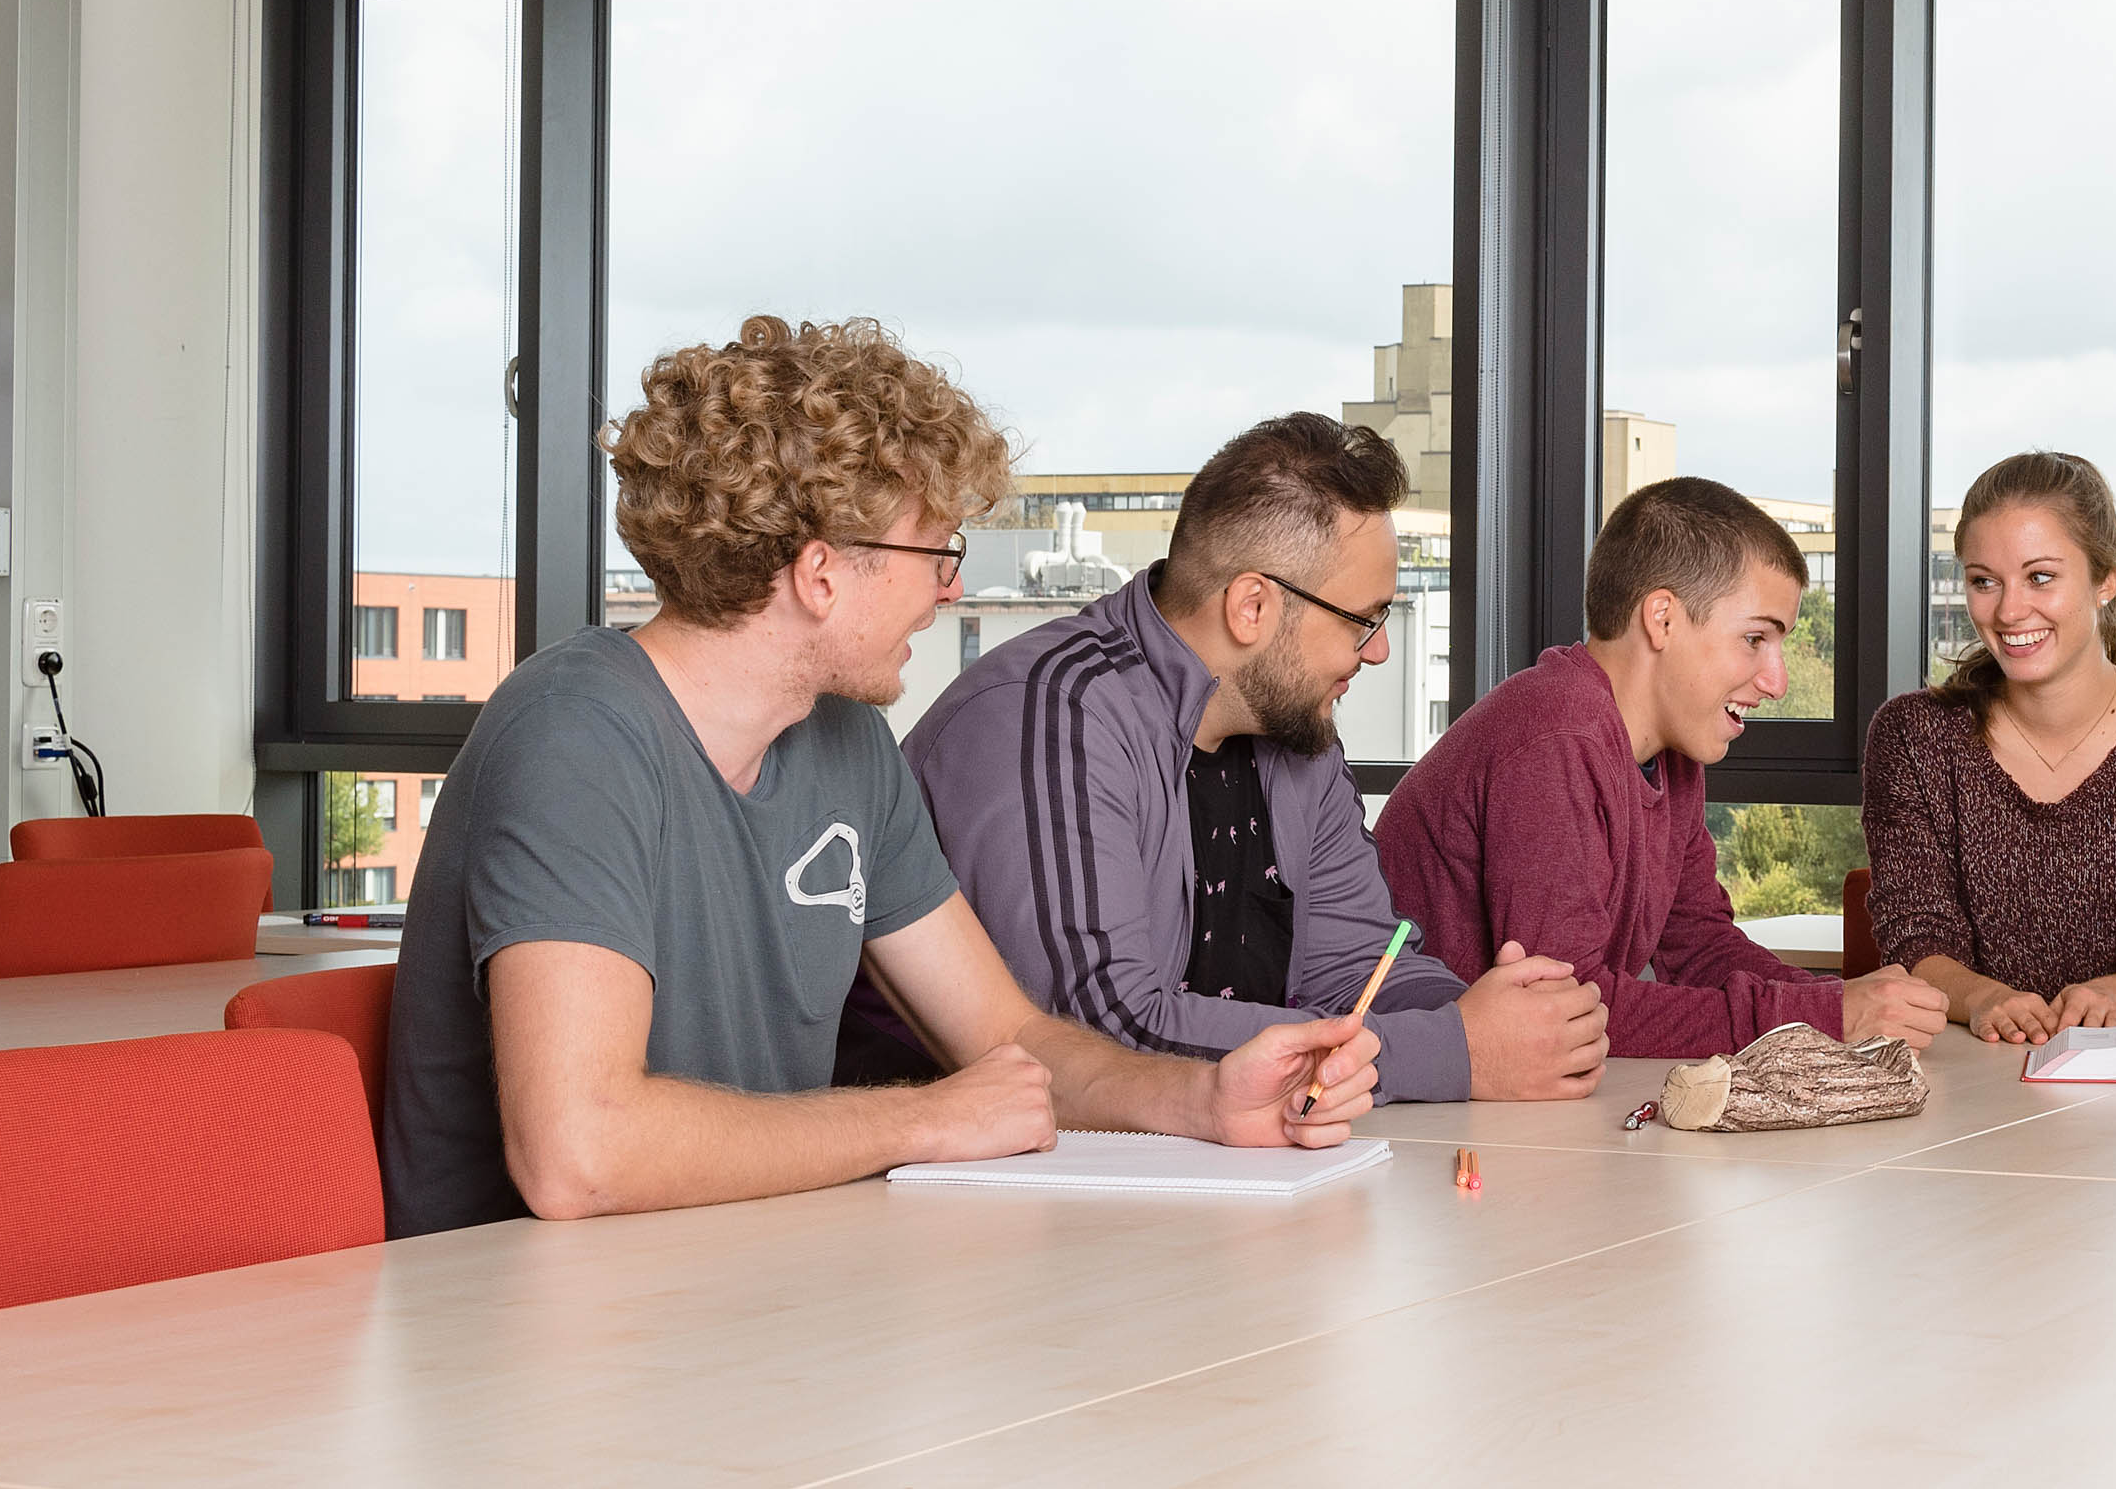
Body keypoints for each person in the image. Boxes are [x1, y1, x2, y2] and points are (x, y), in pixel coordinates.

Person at [379, 317, 1380, 1240]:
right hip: (516, 1326)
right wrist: (922, 1120)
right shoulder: (575, 735)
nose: (951, 588)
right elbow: (580, 1155)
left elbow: (1012, 1042)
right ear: (822, 574)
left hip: (735, 1283)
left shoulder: (847, 744)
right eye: (934, 554)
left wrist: (1204, 1101)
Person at [899, 410, 1606, 1105]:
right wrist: (1450, 1051)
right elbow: (1099, 1035)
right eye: (1364, 621)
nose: (1380, 651)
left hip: (1230, 1157)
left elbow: (1358, 970)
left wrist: (1489, 1020)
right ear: (1252, 608)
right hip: (974, 1169)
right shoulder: (1055, 716)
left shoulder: (1296, 731)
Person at [1378, 477, 1949, 1060]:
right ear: (1663, 619)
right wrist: (1824, 1015)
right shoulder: (1556, 736)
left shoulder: (1670, 755)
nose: (1777, 682)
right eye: (1754, 638)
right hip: (1413, 1090)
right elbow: (1565, 1007)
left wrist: (1843, 1002)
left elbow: (1699, 946)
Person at [1859, 454, 2116, 1042]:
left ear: (2105, 581)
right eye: (1983, 581)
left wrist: (2114, 999)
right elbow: (1916, 935)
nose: (2008, 611)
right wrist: (1985, 998)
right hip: (1962, 1064)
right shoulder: (1912, 735)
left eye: (2040, 577)